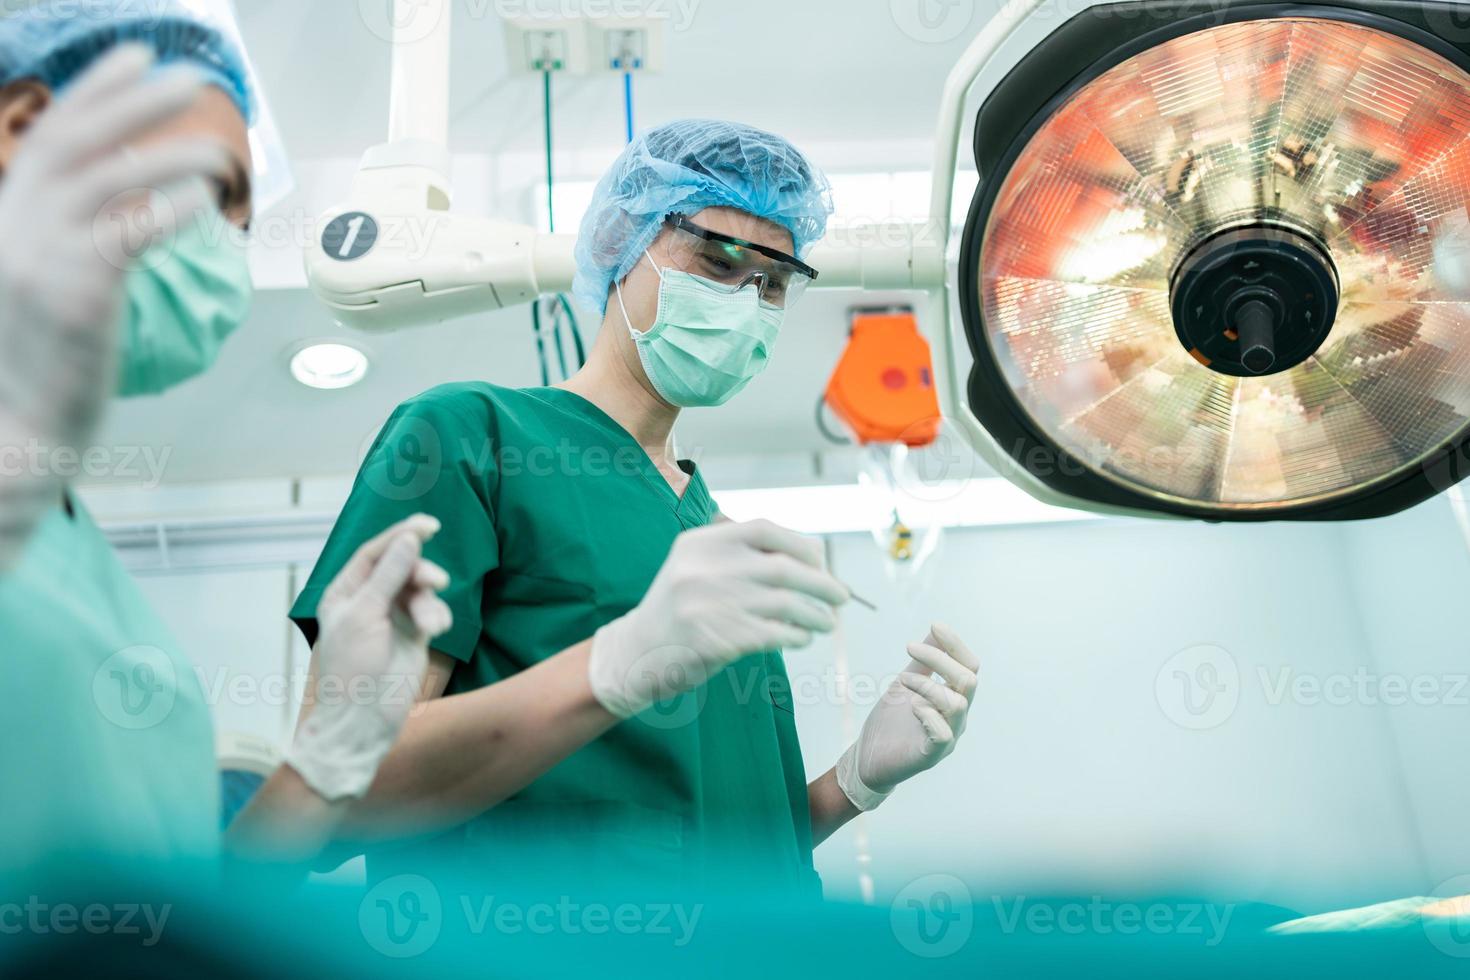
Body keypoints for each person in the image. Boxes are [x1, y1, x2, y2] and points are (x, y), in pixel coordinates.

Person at [290, 120, 980, 894]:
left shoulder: (719, 539)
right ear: (624, 239)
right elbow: (336, 795)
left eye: (774, 284)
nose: (745, 304)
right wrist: (614, 664)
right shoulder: (470, 439)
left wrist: (849, 786)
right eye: (717, 262)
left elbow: (713, 837)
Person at [0, 3, 451, 882]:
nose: (222, 253)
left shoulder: (67, 544)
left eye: (240, 226)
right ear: (24, 128)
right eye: (209, 185)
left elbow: (174, 909)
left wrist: (329, 756)